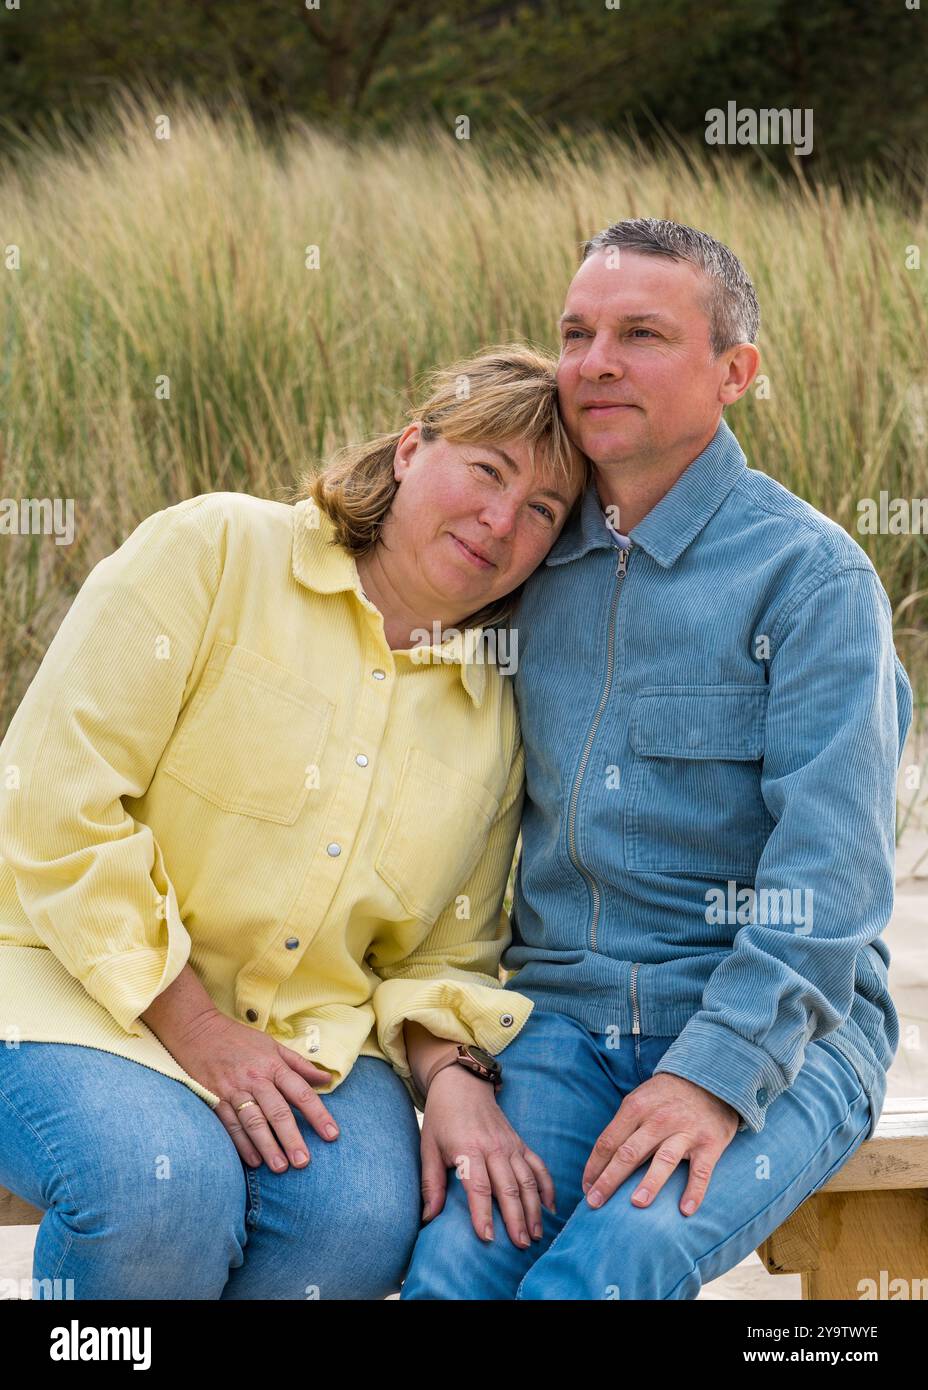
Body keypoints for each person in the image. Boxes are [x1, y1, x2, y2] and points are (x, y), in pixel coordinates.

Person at [0, 344, 588, 1300]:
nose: (499, 521)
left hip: (303, 1035)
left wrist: (453, 1075)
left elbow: (443, 953)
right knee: (165, 1191)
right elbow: (52, 796)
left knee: (358, 1223)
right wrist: (195, 1026)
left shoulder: (495, 710)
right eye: (487, 471)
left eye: (541, 512)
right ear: (409, 450)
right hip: (57, 981)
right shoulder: (215, 551)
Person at [401, 218, 914, 1300]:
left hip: (785, 1026)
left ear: (735, 372)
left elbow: (830, 884)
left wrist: (711, 1077)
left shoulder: (810, 579)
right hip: (560, 1019)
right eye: (576, 333)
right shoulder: (519, 553)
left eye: (639, 333)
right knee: (453, 1270)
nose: (593, 364)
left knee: (606, 1269)